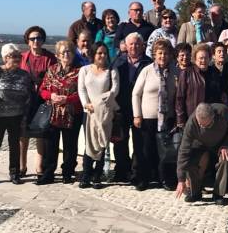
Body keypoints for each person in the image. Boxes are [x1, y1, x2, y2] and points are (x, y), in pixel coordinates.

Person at [0, 43, 34, 185]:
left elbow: (28, 96)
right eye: (14, 56)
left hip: (16, 116)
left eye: (19, 56)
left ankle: (15, 173)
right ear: (5, 58)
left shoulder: (24, 75)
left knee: (15, 146)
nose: (17, 59)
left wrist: (25, 116)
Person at [132, 38, 179, 191]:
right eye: (159, 53)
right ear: (154, 54)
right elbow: (136, 94)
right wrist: (137, 115)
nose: (162, 56)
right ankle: (143, 179)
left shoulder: (175, 72)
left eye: (165, 53)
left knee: (165, 151)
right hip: (147, 118)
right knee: (146, 150)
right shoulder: (147, 71)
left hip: (167, 118)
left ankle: (164, 179)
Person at [35, 40, 82, 185]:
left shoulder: (80, 71)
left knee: (70, 145)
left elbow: (83, 92)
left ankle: (68, 173)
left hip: (72, 113)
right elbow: (42, 90)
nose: (66, 54)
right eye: (63, 52)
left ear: (73, 54)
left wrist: (67, 99)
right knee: (50, 145)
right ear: (58, 55)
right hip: (53, 113)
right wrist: (51, 96)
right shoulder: (51, 70)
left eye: (69, 51)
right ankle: (48, 173)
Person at [175, 103, 228, 205]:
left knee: (225, 159)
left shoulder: (223, 112)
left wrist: (226, 144)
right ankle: (195, 192)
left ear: (213, 117)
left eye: (208, 125)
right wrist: (181, 179)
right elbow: (183, 151)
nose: (203, 128)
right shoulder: (191, 123)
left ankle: (218, 193)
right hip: (200, 144)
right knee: (190, 161)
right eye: (200, 125)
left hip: (221, 144)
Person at [111, 33, 152, 183]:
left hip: (140, 109)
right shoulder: (118, 61)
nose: (134, 47)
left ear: (142, 45)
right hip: (121, 108)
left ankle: (137, 173)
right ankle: (122, 170)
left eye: (137, 44)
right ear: (125, 46)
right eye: (131, 44)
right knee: (120, 141)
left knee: (139, 142)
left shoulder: (148, 63)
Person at [78, 42, 120, 189]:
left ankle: (97, 176)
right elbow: (82, 89)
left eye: (104, 53)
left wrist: (103, 100)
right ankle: (86, 175)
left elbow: (115, 89)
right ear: (93, 55)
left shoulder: (111, 70)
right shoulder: (84, 70)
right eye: (99, 53)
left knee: (102, 143)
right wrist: (86, 103)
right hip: (89, 112)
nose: (102, 56)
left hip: (105, 112)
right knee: (89, 143)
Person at [19, 26, 57, 178]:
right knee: (23, 135)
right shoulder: (22, 57)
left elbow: (54, 78)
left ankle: (39, 167)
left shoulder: (50, 58)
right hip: (25, 101)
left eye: (39, 38)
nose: (36, 41)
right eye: (33, 38)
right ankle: (22, 166)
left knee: (40, 133)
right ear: (28, 41)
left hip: (42, 100)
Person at [176, 43, 227, 128]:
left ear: (210, 58)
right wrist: (180, 120)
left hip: (212, 118)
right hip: (193, 118)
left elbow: (220, 95)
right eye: (201, 58)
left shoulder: (215, 72)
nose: (203, 60)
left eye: (206, 58)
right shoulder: (186, 73)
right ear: (195, 59)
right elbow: (180, 98)